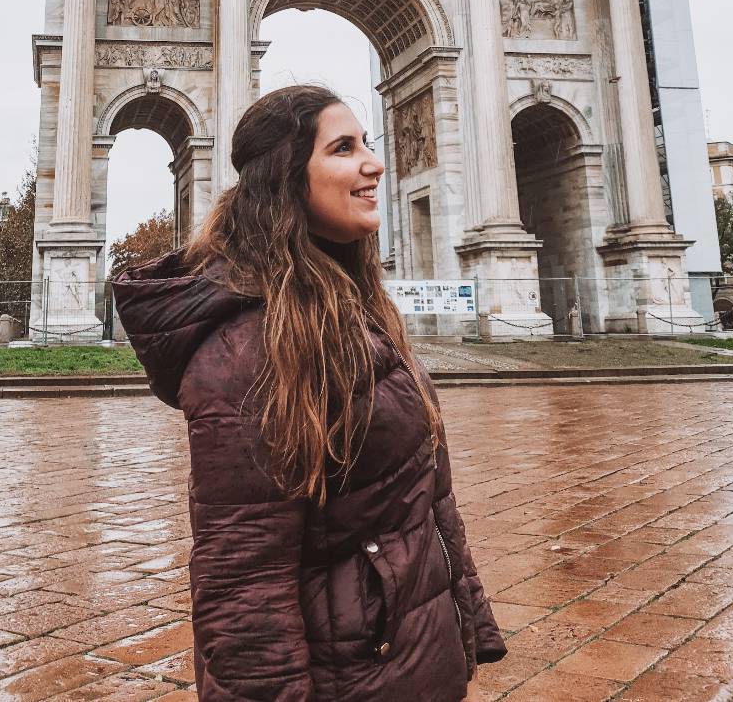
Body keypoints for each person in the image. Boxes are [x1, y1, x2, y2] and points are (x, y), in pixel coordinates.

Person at [114, 85, 506, 701]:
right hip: (350, 673)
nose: (374, 162)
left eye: (368, 143)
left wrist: (467, 623)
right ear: (287, 180)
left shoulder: (350, 302)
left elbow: (429, 498)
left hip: (408, 658)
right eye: (344, 148)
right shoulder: (248, 348)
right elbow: (244, 583)